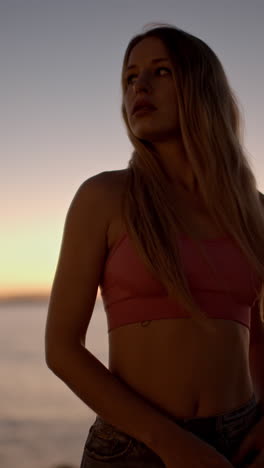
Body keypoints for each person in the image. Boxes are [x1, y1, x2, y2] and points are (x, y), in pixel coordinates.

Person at [45, 23, 264, 468]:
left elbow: (255, 336)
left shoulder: (254, 210)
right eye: (130, 77)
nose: (139, 85)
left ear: (203, 88)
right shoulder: (105, 197)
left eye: (161, 71)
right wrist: (171, 443)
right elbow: (62, 347)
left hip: (243, 442)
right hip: (135, 447)